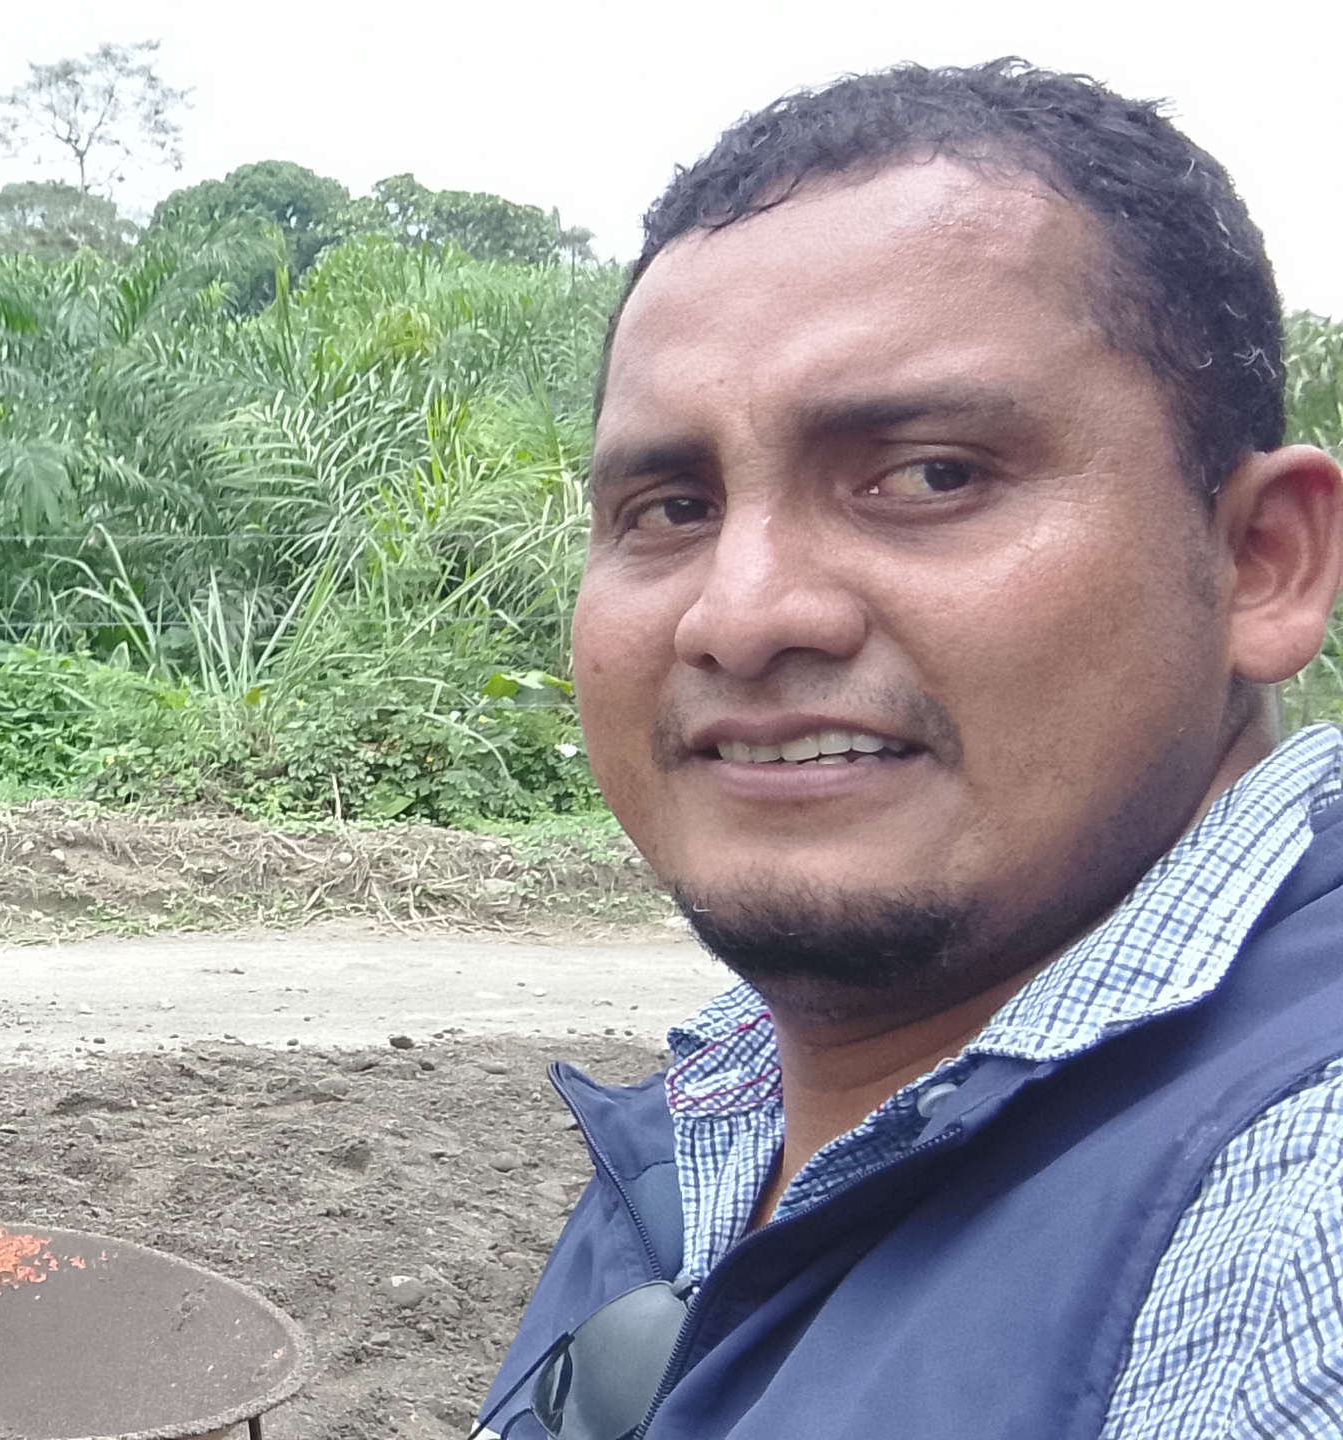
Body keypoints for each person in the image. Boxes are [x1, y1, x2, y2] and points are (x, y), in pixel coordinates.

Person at [475, 62, 1343, 1440]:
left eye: (930, 475)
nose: (741, 615)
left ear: (1260, 561)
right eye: (672, 506)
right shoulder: (743, 1097)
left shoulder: (1294, 1240)